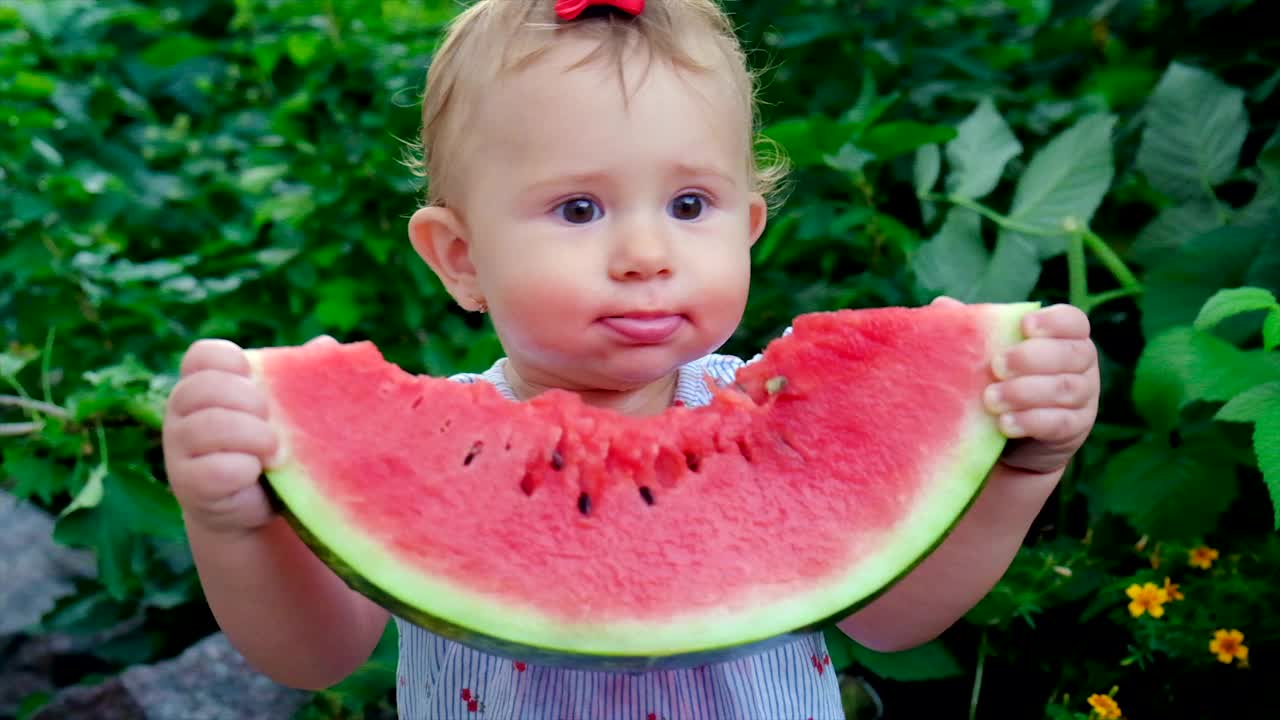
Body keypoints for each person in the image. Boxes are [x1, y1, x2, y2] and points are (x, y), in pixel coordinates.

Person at [160, 1, 1101, 717]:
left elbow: (887, 619)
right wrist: (237, 525)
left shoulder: (780, 416)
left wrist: (1017, 471)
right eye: (579, 210)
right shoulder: (415, 450)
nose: (648, 253)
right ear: (461, 258)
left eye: (691, 205)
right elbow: (315, 657)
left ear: (751, 225)